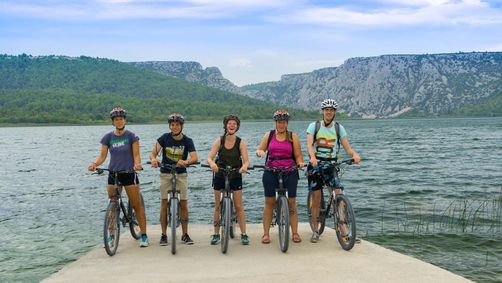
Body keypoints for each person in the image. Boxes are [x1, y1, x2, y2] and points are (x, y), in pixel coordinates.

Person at [88, 107, 149, 247]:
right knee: (113, 203)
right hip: (113, 174)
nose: (119, 121)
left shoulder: (131, 136)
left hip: (129, 173)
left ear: (125, 120)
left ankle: (144, 235)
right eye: (116, 119)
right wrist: (94, 164)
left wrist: (137, 164)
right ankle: (110, 235)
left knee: (136, 204)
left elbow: (136, 155)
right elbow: (102, 157)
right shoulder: (107, 138)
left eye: (121, 118)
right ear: (113, 122)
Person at [306, 98, 361, 243]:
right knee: (316, 197)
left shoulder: (338, 128)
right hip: (316, 165)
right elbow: (309, 145)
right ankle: (316, 230)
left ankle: (345, 233)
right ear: (323, 111)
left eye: (331, 110)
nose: (329, 112)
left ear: (334, 112)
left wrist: (354, 155)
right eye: (326, 110)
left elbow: (347, 148)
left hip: (332, 166)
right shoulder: (314, 126)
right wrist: (312, 157)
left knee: (339, 196)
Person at [256, 109, 305, 244]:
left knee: (292, 202)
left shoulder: (292, 136)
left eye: (283, 122)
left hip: (290, 170)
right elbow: (261, 149)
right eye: (279, 122)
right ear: (275, 123)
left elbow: (298, 155)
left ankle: (295, 232)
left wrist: (300, 163)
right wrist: (259, 152)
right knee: (269, 202)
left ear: (287, 123)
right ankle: (266, 234)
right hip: (271, 170)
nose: (281, 124)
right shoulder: (269, 135)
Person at [150, 113, 198, 246]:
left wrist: (186, 162)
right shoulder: (164, 138)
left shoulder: (187, 141)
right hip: (166, 173)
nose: (175, 127)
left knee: (183, 204)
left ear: (181, 126)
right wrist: (154, 159)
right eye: (172, 125)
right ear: (169, 126)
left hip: (181, 174)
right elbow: (153, 152)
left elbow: (195, 157)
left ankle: (185, 234)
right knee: (164, 203)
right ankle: (164, 235)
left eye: (177, 124)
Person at [207, 115, 251, 245]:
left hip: (235, 174)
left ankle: (243, 234)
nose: (232, 125)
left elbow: (246, 161)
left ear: (237, 127)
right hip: (220, 173)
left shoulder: (240, 142)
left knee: (238, 206)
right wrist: (212, 164)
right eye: (229, 123)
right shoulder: (219, 141)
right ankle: (215, 233)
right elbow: (209, 158)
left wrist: (244, 167)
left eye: (234, 124)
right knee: (217, 206)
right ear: (226, 125)